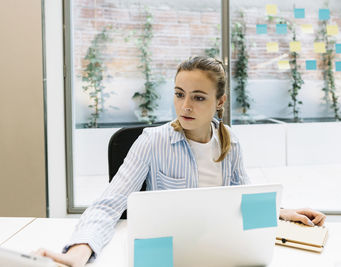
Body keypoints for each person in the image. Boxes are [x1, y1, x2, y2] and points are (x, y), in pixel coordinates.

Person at [35, 56, 326, 267]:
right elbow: (109, 205)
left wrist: (281, 211)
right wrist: (78, 252)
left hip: (215, 248)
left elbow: (243, 200)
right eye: (179, 94)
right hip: (160, 250)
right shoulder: (152, 141)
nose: (185, 106)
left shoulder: (231, 142)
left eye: (199, 98)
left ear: (220, 102)